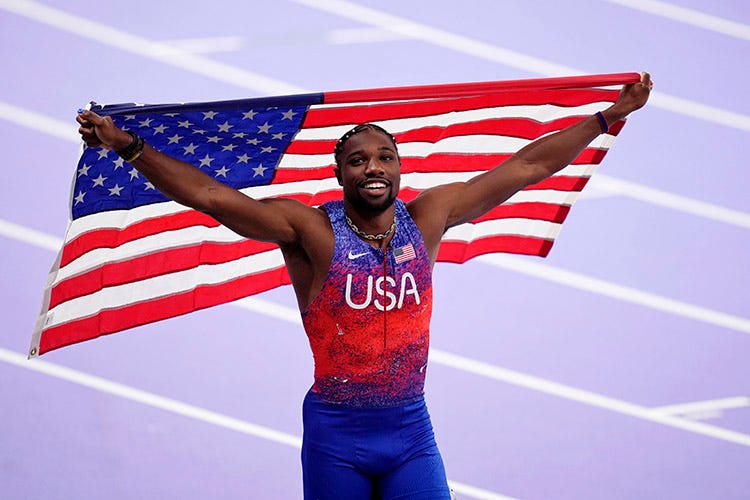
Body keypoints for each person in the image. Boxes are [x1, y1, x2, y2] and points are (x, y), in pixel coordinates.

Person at [77, 72, 652, 499]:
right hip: (336, 436)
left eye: (384, 157)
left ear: (399, 168)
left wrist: (608, 116)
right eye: (357, 160)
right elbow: (211, 198)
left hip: (410, 431)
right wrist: (129, 147)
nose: (372, 167)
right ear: (340, 173)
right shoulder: (310, 230)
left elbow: (526, 169)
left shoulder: (429, 217)